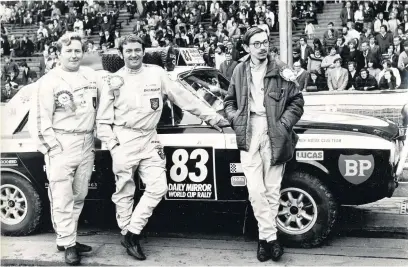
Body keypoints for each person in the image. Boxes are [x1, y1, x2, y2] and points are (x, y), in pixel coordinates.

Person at [96, 34, 227, 261]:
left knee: (158, 187)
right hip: (123, 138)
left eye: (138, 50)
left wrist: (213, 118)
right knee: (124, 191)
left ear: (143, 51)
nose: (134, 54)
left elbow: (184, 98)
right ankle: (127, 234)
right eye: (129, 51)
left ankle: (132, 233)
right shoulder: (113, 81)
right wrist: (114, 146)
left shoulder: (156, 73)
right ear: (121, 54)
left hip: (149, 137)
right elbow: (103, 122)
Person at [224, 27, 304, 263]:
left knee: (272, 190)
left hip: (275, 132)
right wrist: (235, 119)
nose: (262, 47)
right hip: (249, 130)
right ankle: (271, 238)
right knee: (255, 190)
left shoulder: (281, 69)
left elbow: (297, 102)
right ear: (247, 48)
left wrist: (282, 125)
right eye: (256, 43)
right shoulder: (239, 70)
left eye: (265, 42)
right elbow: (229, 101)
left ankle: (263, 241)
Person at [28, 32, 100, 266]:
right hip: (62, 143)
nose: (74, 55)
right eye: (68, 51)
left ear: (83, 52)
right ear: (59, 54)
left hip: (87, 143)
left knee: (79, 195)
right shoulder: (48, 81)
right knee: (62, 197)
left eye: (78, 50)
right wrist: (53, 148)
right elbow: (40, 121)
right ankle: (68, 244)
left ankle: (66, 237)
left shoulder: (90, 75)